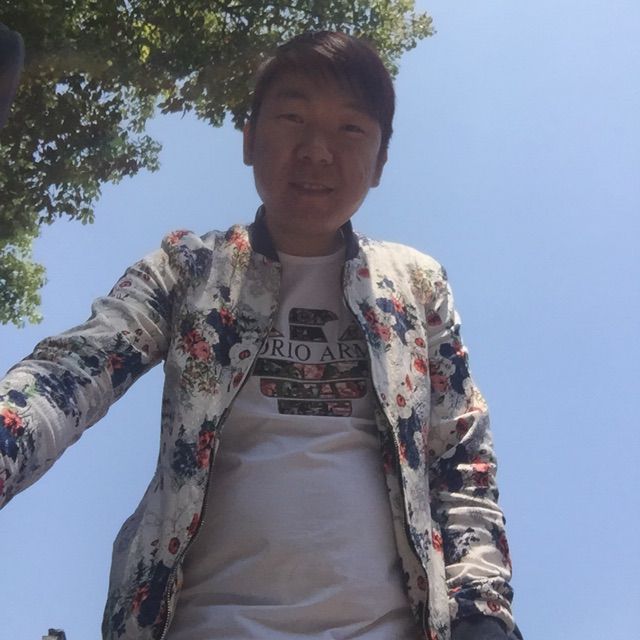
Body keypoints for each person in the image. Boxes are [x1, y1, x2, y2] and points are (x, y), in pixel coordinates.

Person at [0, 31, 521, 640]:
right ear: (249, 139)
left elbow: (461, 459)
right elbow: (71, 372)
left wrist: (483, 616)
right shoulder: (188, 266)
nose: (317, 150)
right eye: (293, 118)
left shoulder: (416, 282)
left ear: (380, 163)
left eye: (350, 129)